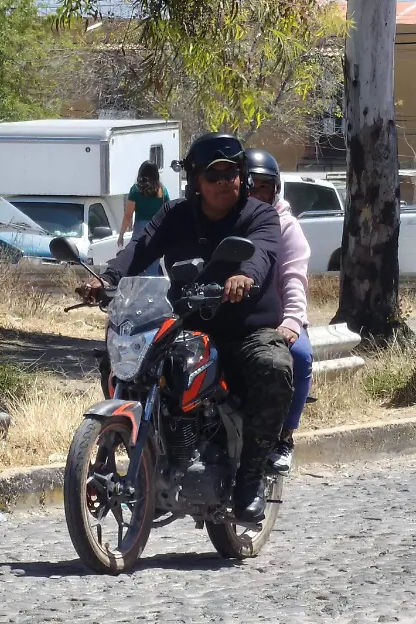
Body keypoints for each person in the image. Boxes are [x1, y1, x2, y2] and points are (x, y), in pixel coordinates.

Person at [82, 133, 293, 524]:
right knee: (124, 360)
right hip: (186, 324)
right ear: (196, 180)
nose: (223, 182)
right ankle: (150, 452)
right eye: (213, 175)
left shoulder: (259, 215)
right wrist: (107, 278)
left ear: (243, 176)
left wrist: (244, 276)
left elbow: (263, 252)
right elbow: (140, 247)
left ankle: (249, 480)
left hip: (245, 330)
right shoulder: (176, 214)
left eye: (230, 173)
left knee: (274, 367)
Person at [244, 148, 311, 475]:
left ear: (275, 189)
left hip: (280, 319)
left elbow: (294, 277)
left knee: (299, 356)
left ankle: (284, 437)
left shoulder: (286, 226)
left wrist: (292, 321)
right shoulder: (229, 222)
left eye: (263, 187)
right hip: (238, 319)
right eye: (250, 186)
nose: (256, 194)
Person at [117, 160, 169, 276]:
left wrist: (121, 235)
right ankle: (151, 286)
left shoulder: (136, 190)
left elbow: (128, 215)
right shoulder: (162, 190)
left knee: (136, 260)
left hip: (140, 229)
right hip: (156, 229)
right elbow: (168, 211)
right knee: (153, 262)